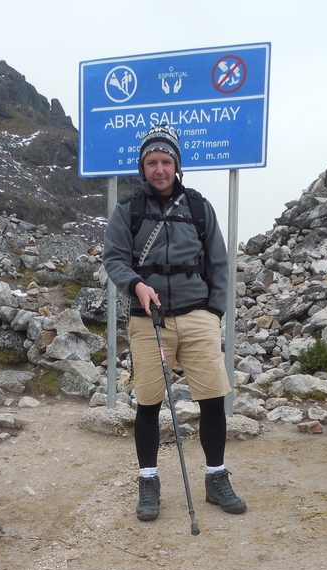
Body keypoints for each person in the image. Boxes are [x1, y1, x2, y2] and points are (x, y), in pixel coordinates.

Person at [103, 124, 246, 522]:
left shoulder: (199, 207)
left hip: (198, 316)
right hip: (149, 319)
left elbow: (219, 262)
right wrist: (136, 285)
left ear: (177, 164)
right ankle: (148, 482)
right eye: (152, 162)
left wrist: (213, 312)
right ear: (142, 166)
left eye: (166, 161)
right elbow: (114, 258)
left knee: (213, 399)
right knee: (148, 402)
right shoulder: (127, 211)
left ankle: (216, 478)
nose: (159, 169)